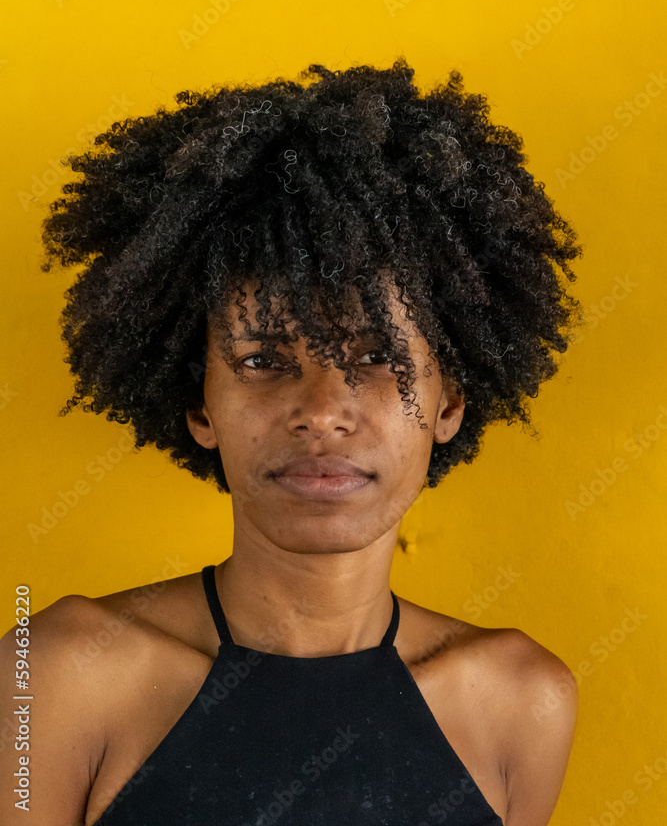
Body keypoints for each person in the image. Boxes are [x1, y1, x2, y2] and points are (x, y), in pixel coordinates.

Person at [1, 58, 583, 825]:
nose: (321, 411)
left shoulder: (521, 701)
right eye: (262, 361)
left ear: (449, 404)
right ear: (199, 407)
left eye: (378, 358)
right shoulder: (53, 674)